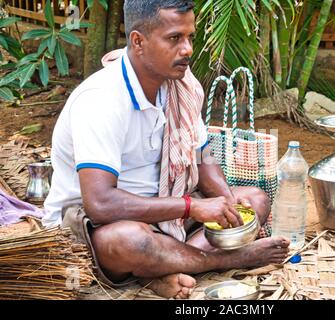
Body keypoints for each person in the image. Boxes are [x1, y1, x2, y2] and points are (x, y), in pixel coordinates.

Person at [43, 0, 289, 299]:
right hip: (99, 226)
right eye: (175, 38)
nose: (187, 49)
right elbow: (101, 204)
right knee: (130, 241)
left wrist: (226, 203)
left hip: (168, 211)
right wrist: (192, 207)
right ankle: (227, 258)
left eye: (190, 37)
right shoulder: (101, 100)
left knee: (253, 199)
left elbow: (203, 155)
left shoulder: (182, 85)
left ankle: (162, 269)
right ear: (138, 42)